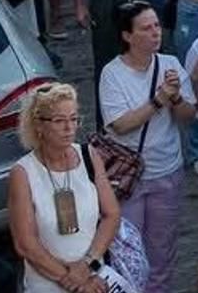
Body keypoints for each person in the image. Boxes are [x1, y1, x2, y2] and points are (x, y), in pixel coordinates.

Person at [97, 1, 195, 293]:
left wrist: (176, 98)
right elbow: (121, 124)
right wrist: (159, 100)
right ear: (128, 36)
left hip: (167, 171)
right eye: (146, 28)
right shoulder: (112, 74)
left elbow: (189, 116)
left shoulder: (170, 65)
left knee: (162, 251)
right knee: (128, 253)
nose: (156, 33)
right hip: (127, 177)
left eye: (156, 25)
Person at [8, 83, 122, 293]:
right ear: (39, 125)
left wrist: (88, 265)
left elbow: (112, 214)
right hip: (47, 286)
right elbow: (25, 244)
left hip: (95, 279)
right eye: (59, 121)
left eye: (73, 119)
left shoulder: (89, 155)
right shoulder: (22, 173)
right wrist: (74, 281)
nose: (69, 128)